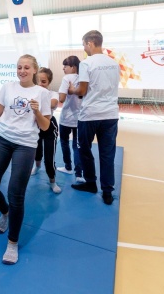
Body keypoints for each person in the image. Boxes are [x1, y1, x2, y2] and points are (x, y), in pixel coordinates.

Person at [0, 54, 51, 265]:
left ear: (34, 70)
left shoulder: (42, 93)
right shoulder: (8, 87)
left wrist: (37, 112)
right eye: (19, 67)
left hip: (26, 144)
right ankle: (5, 212)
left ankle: (12, 242)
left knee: (16, 193)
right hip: (2, 139)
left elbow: (45, 126)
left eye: (27, 67)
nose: (22, 71)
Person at [68, 30, 120, 205]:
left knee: (84, 149)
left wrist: (72, 90)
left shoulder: (86, 63)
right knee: (107, 154)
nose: (84, 48)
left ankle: (91, 183)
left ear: (90, 43)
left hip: (90, 114)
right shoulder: (114, 64)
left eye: (84, 45)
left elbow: (82, 90)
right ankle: (107, 191)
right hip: (110, 114)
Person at [30, 67, 61, 194]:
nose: (40, 84)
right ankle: (37, 167)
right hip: (35, 125)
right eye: (38, 81)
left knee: (49, 159)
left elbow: (53, 104)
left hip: (49, 127)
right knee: (36, 152)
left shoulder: (52, 94)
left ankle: (52, 181)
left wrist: (40, 99)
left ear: (49, 82)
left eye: (43, 82)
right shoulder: (32, 92)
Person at [57, 56, 84, 182]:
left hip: (67, 118)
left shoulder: (67, 78)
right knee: (77, 146)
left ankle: (68, 167)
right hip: (80, 118)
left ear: (73, 67)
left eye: (65, 66)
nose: (63, 68)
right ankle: (79, 174)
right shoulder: (84, 78)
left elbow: (61, 99)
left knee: (64, 142)